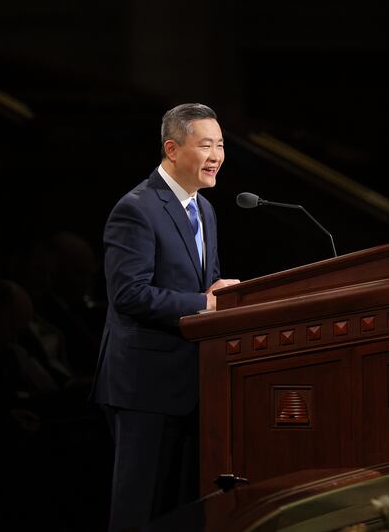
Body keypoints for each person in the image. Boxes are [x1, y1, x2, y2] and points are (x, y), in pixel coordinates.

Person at [91, 103, 239, 531]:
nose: (216, 156)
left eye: (221, 145)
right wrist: (204, 303)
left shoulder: (204, 209)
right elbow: (128, 294)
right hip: (146, 387)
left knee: (182, 515)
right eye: (206, 145)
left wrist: (220, 296)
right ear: (172, 149)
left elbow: (205, 287)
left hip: (196, 384)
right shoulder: (136, 208)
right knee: (139, 514)